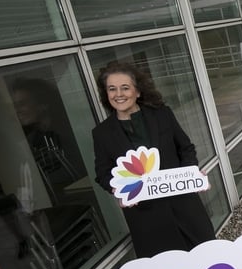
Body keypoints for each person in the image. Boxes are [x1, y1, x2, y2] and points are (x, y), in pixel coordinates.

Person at [92, 62, 215, 258]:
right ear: (106, 94)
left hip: (184, 205)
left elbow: (186, 148)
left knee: (208, 258)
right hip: (146, 218)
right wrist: (118, 190)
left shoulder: (162, 115)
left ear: (137, 92)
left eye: (125, 87)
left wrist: (190, 174)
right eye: (112, 89)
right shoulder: (102, 133)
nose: (119, 94)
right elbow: (103, 173)